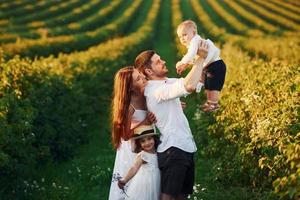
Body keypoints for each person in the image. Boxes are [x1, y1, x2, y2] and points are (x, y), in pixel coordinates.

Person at [134, 41, 208, 200]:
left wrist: (201, 61)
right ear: (148, 70)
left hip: (186, 146)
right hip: (173, 150)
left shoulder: (166, 82)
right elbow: (187, 86)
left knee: (182, 196)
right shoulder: (154, 90)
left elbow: (194, 84)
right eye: (158, 61)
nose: (164, 61)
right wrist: (200, 59)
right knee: (168, 197)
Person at [109, 66, 157, 200]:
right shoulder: (129, 106)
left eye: (141, 75)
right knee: (135, 183)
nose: (143, 78)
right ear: (130, 88)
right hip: (133, 148)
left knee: (149, 181)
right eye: (138, 78)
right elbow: (124, 135)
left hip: (146, 141)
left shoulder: (145, 92)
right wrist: (145, 122)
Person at [176, 20, 226, 112]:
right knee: (209, 85)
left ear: (194, 33)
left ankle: (213, 104)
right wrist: (186, 65)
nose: (182, 38)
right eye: (180, 37)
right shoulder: (193, 43)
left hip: (216, 65)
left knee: (214, 86)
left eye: (184, 35)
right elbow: (194, 58)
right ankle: (209, 102)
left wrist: (182, 62)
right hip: (209, 67)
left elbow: (191, 54)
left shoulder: (195, 41)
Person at [118, 125, 160, 200]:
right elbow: (134, 168)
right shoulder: (142, 155)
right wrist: (124, 180)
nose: (147, 143)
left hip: (156, 183)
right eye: (143, 141)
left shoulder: (158, 152)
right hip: (144, 185)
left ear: (154, 138)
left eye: (149, 139)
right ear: (139, 144)